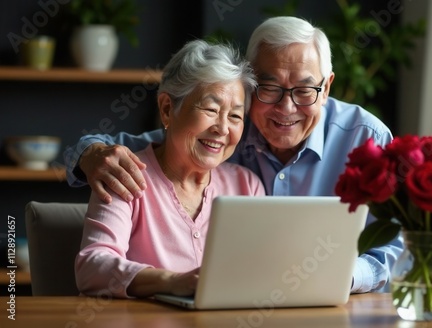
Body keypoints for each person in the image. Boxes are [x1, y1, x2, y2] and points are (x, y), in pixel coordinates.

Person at [66, 16, 403, 293]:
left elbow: (394, 248)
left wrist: (340, 276)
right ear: (254, 87)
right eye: (270, 88)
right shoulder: (203, 143)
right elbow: (137, 148)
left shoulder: (366, 140)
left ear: (326, 88)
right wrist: (90, 153)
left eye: (304, 89)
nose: (286, 108)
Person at [74, 39, 266, 298]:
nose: (222, 129)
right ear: (167, 109)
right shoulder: (124, 174)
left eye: (235, 116)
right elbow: (92, 266)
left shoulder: (247, 186)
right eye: (210, 109)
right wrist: (172, 282)